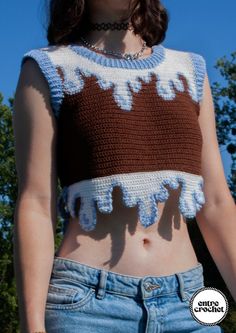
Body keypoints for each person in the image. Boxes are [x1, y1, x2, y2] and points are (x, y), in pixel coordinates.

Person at [12, 0, 235, 332]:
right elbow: (36, 203)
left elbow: (216, 202)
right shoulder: (47, 68)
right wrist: (33, 326)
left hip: (189, 306)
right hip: (86, 308)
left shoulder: (191, 71)